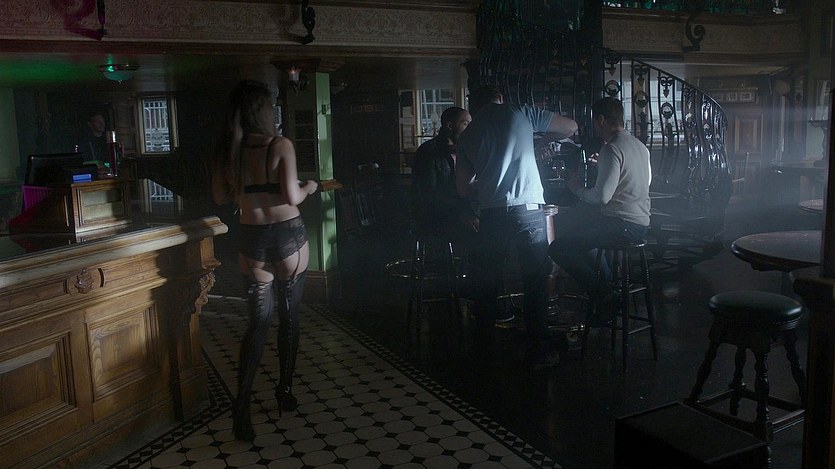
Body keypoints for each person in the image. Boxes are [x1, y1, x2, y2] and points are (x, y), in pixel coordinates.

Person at [211, 80, 318, 441]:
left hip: (251, 240)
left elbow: (220, 197)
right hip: (288, 237)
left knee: (257, 324)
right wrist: (310, 187)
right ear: (264, 111)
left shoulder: (228, 151)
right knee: (289, 318)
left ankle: (241, 406)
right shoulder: (279, 144)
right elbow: (292, 195)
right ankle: (283, 391)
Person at [455, 85, 578, 368]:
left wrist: (490, 179)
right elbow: (571, 127)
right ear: (500, 98)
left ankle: (483, 352)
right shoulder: (521, 113)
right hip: (528, 209)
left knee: (487, 282)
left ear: (475, 105)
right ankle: (539, 353)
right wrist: (538, 140)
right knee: (535, 281)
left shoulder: (468, 135)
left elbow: (463, 188)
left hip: (492, 213)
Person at [548, 97, 651, 326]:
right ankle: (608, 290)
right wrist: (602, 169)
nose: (594, 127)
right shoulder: (639, 146)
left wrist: (576, 188)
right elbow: (640, 184)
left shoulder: (611, 148)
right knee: (583, 234)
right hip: (641, 224)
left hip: (621, 224)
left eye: (594, 122)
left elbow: (601, 197)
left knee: (559, 248)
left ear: (601, 119)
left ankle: (604, 295)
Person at [412, 106, 477, 240]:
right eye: (465, 124)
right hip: (439, 216)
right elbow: (429, 194)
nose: (470, 129)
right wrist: (460, 214)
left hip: (462, 209)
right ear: (450, 126)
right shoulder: (428, 152)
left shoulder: (465, 149)